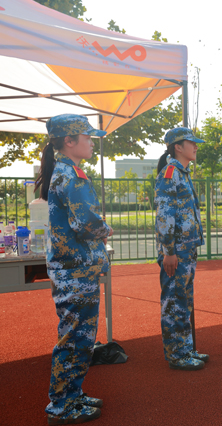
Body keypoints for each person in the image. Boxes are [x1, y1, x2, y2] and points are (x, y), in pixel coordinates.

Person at [36, 114, 113, 425]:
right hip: (76, 271)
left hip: (74, 269)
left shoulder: (64, 172)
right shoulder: (72, 175)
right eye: (87, 137)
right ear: (69, 141)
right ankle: (62, 406)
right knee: (75, 339)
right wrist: (106, 229)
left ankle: (72, 395)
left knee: (79, 338)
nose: (91, 142)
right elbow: (87, 223)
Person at [155, 127, 207, 370]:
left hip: (186, 248)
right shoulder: (170, 174)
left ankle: (185, 348)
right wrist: (169, 252)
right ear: (178, 147)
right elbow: (165, 216)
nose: (196, 146)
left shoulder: (181, 173)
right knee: (174, 303)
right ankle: (176, 354)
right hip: (176, 251)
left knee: (184, 302)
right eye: (191, 142)